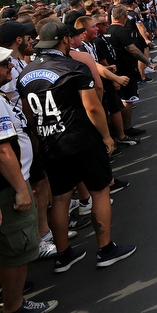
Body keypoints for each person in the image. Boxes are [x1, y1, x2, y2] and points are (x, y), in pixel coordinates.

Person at [17, 21, 136, 273]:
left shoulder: (25, 73)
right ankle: (105, 249)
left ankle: (63, 254)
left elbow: (28, 113)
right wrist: (106, 136)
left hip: (51, 143)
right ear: (64, 41)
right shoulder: (73, 67)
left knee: (59, 198)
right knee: (100, 191)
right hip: (80, 139)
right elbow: (92, 107)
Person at [0, 46, 59, 313]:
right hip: (8, 188)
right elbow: (2, 151)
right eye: (4, 65)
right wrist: (21, 190)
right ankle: (14, 307)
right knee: (17, 250)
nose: (11, 67)